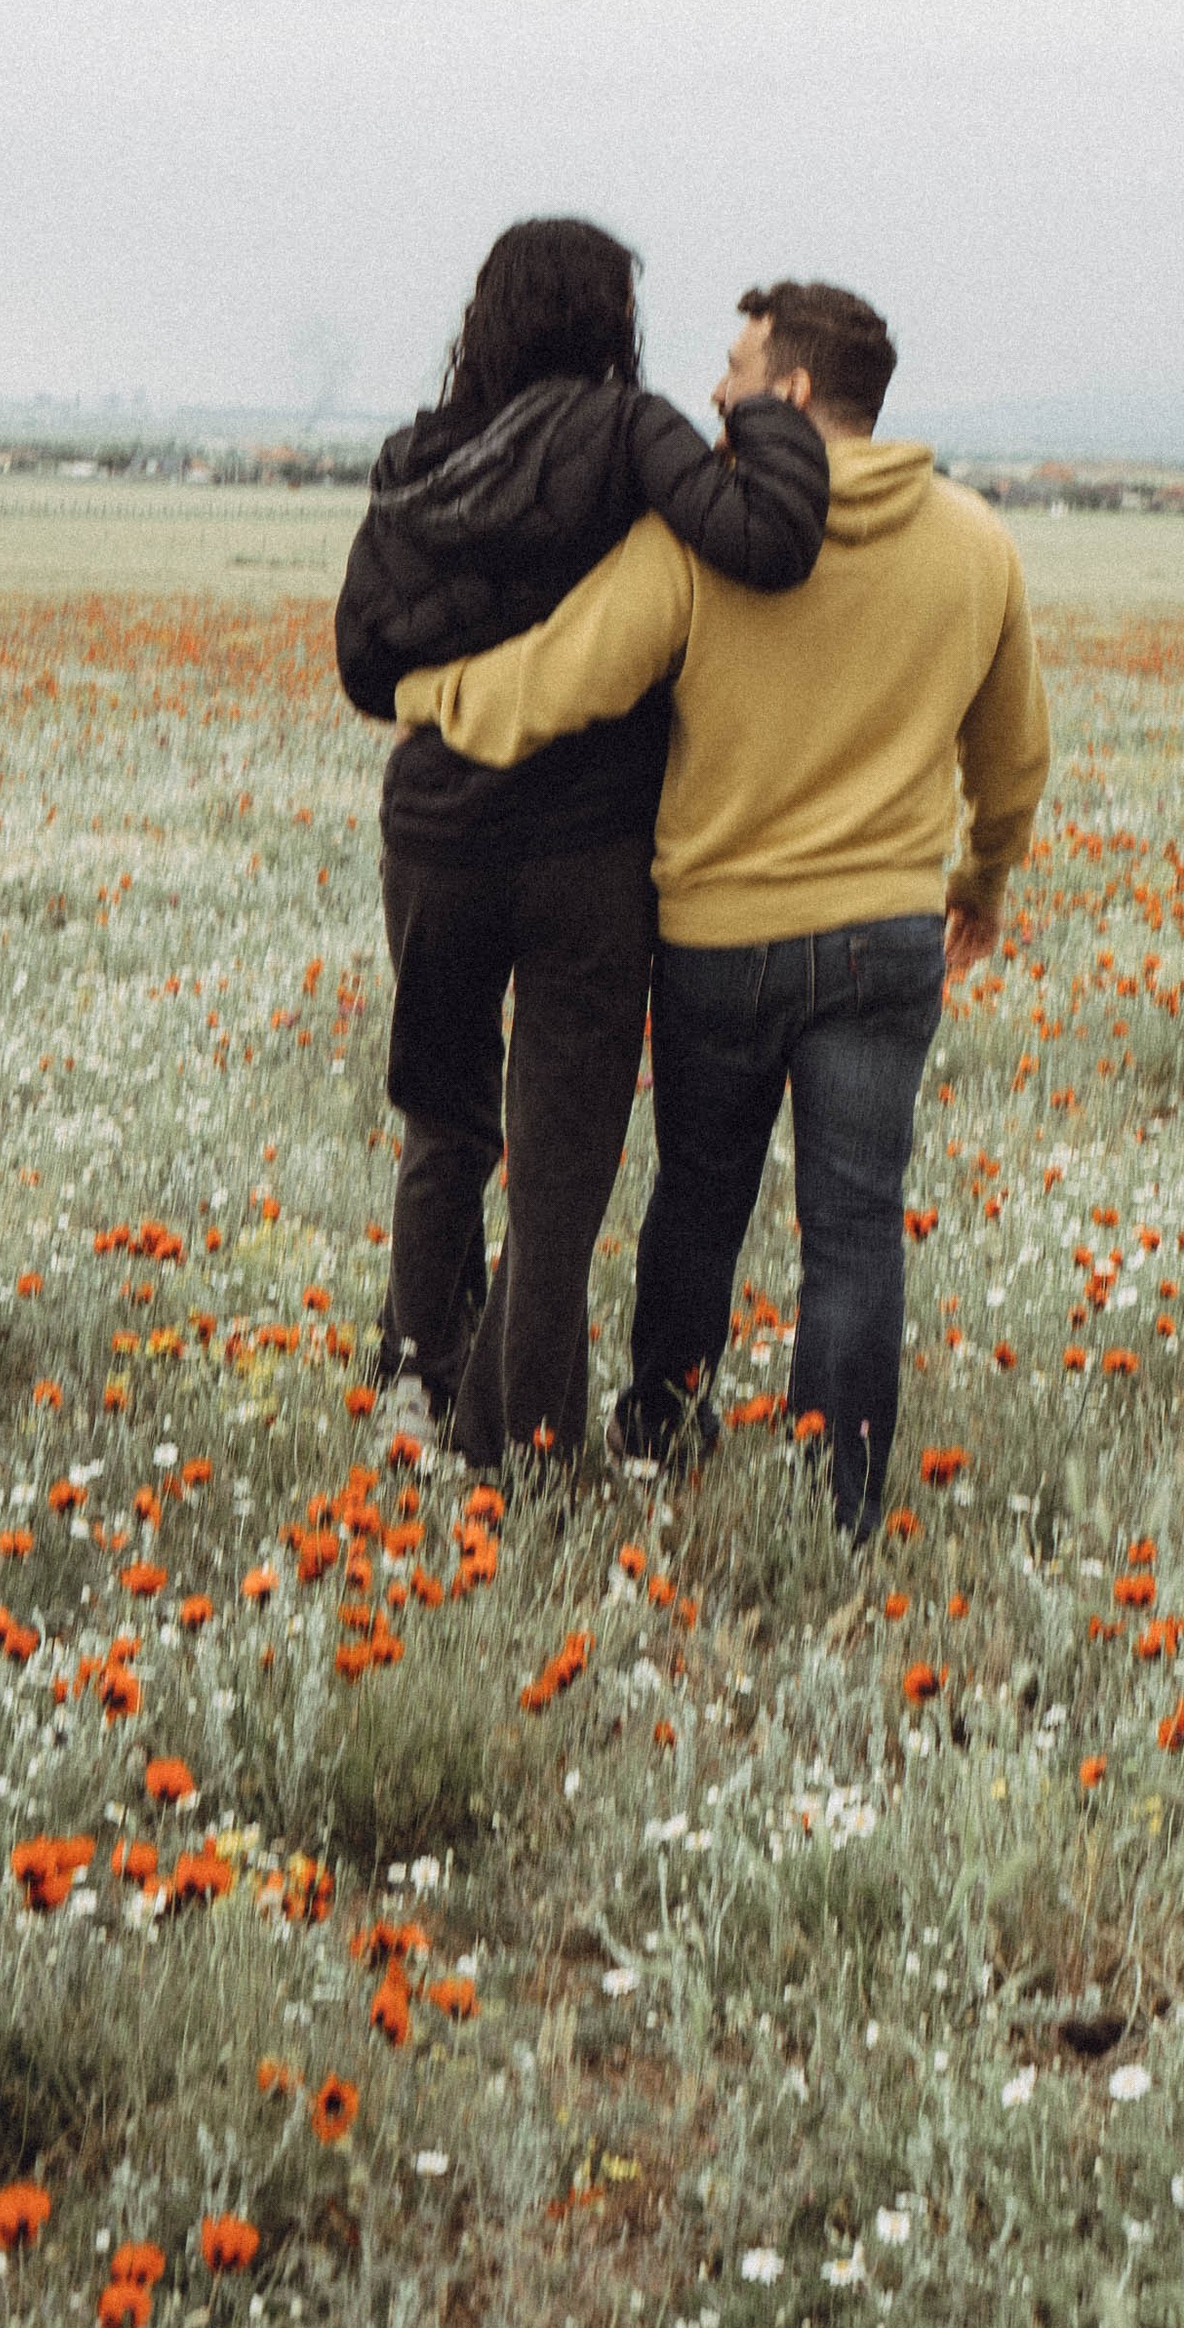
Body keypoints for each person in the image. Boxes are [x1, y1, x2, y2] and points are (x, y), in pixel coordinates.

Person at [395, 279, 1049, 1535]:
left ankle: (664, 1440)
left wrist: (422, 689)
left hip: (722, 942)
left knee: (699, 1202)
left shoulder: (701, 543)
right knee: (854, 1227)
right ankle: (839, 1507)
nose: (713, 387)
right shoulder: (976, 541)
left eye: (736, 364)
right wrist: (985, 879)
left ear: (793, 391)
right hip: (888, 937)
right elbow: (1012, 750)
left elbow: (559, 682)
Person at [335, 220, 827, 1472]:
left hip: (438, 836)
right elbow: (766, 541)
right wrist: (769, 412)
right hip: (589, 853)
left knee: (444, 1119)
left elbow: (361, 664)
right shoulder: (629, 430)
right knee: (559, 1165)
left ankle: (419, 1382)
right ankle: (528, 1437)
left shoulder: (419, 456)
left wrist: (463, 659)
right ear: (611, 319)